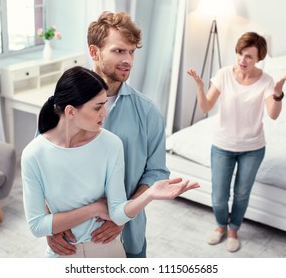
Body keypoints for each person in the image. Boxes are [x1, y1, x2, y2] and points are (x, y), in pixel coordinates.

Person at [21, 66, 199, 258]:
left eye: (104, 104)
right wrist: (94, 209)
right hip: (61, 253)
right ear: (71, 112)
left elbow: (117, 213)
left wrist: (149, 195)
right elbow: (37, 225)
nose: (104, 113)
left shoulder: (110, 144)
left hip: (106, 250)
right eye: (98, 107)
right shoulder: (34, 154)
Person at [46, 11, 172, 258]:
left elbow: (156, 172)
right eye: (118, 51)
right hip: (71, 237)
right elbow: (43, 169)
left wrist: (124, 216)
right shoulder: (60, 106)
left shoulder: (147, 113)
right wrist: (50, 225)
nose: (128, 60)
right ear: (94, 52)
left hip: (126, 237)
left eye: (132, 52)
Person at [187, 32, 286, 252]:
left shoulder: (266, 81)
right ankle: (221, 225)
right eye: (241, 54)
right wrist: (200, 87)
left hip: (252, 148)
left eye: (249, 57)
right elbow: (205, 107)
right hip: (222, 146)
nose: (243, 60)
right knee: (219, 195)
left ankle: (233, 229)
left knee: (242, 193)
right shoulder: (224, 74)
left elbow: (273, 114)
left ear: (259, 58)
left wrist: (278, 94)